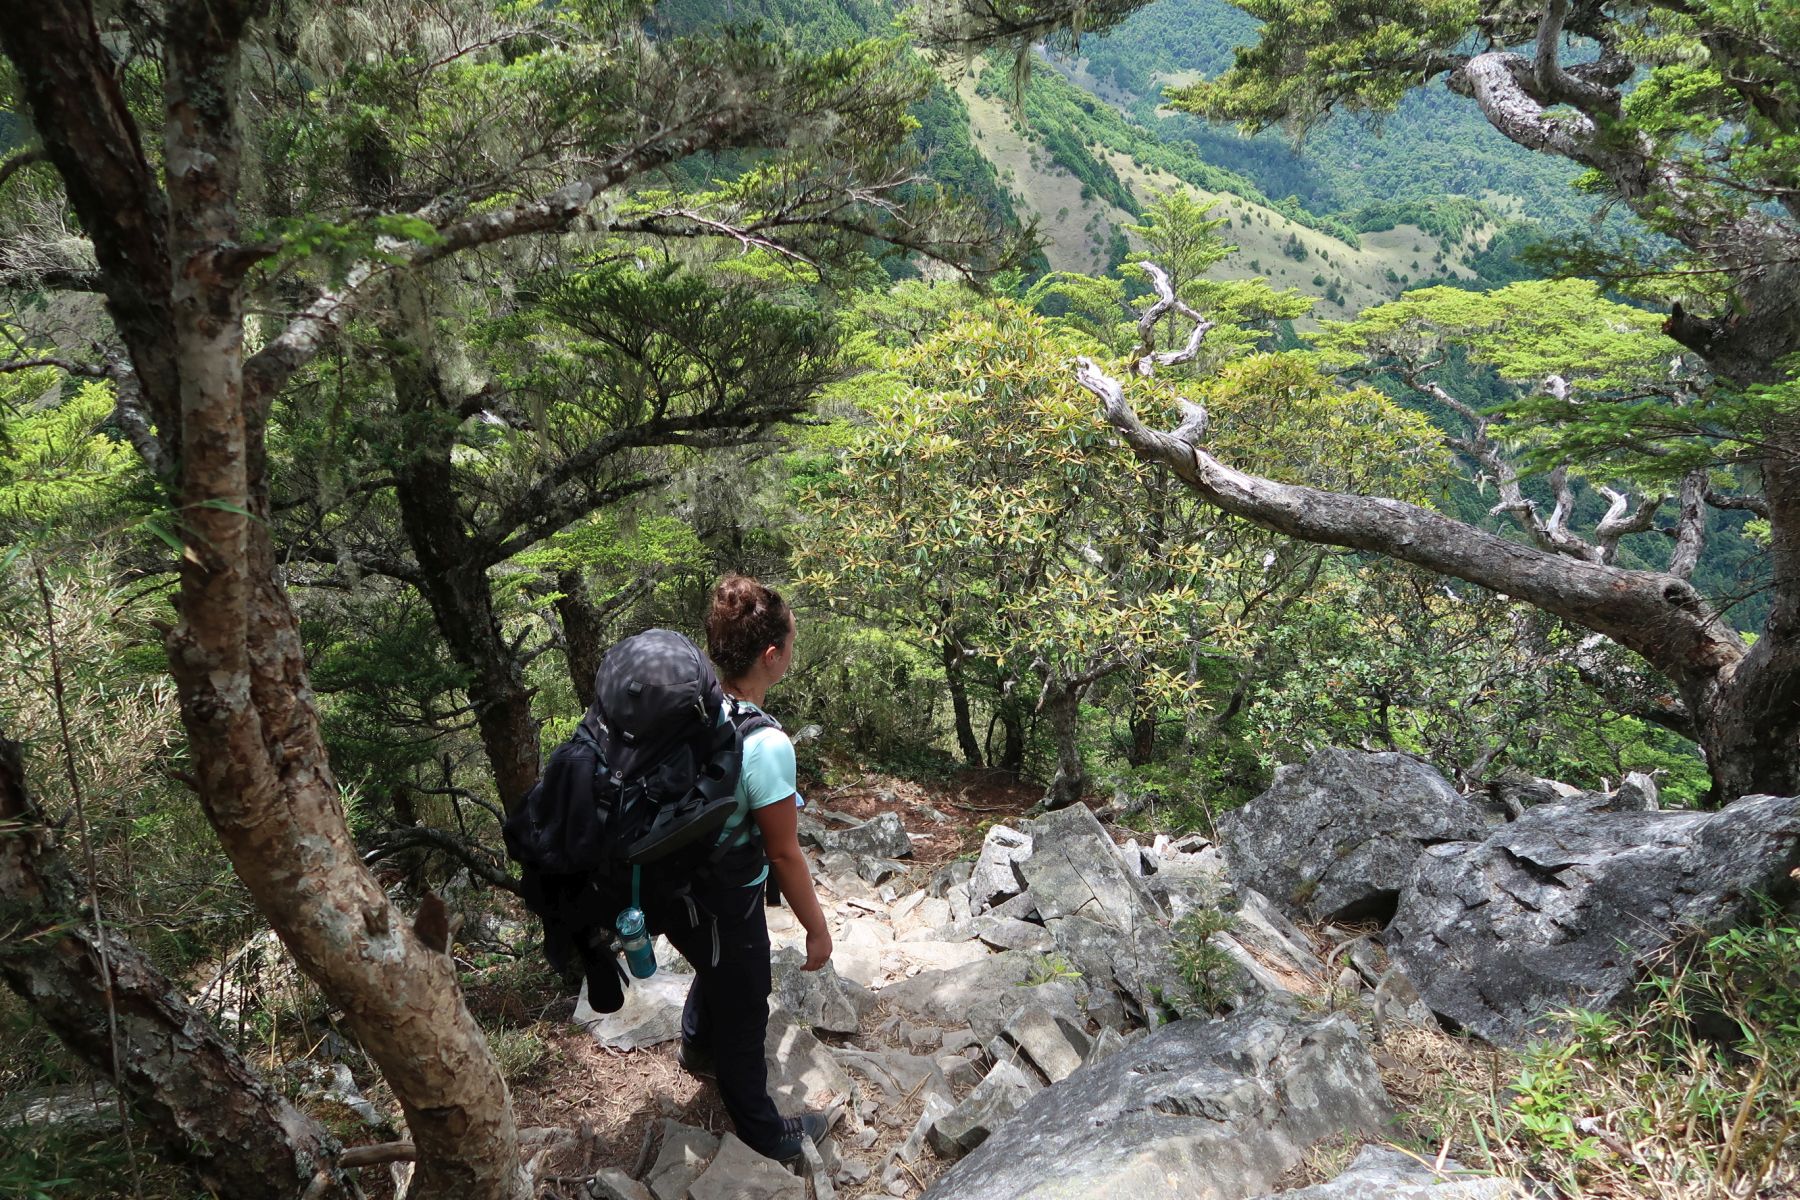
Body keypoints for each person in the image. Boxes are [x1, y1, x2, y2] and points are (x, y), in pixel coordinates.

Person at [640, 574, 833, 1163]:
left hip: (673, 888)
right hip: (725, 897)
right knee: (747, 1000)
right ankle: (764, 1131)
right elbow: (783, 853)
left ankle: (697, 1046)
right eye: (791, 644)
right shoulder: (766, 744)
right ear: (770, 656)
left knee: (713, 963)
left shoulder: (691, 708)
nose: (792, 652)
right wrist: (818, 927)